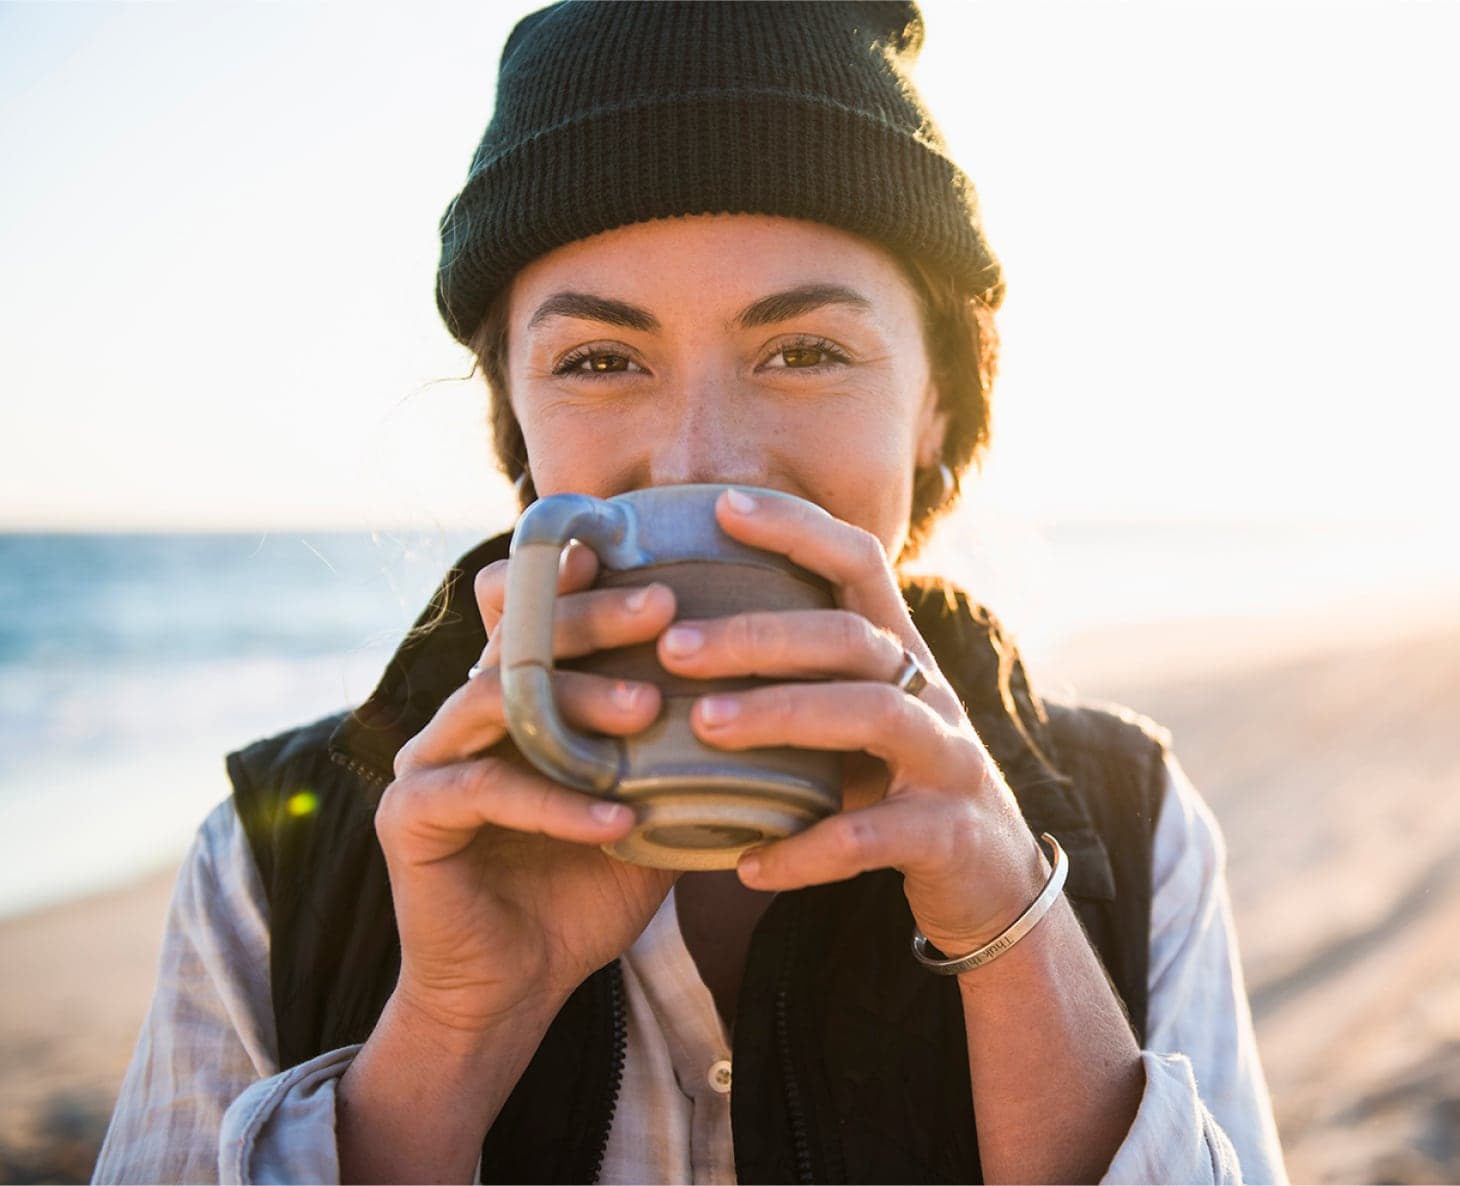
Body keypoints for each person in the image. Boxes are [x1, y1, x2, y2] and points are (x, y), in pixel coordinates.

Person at [94, 3, 1286, 1183]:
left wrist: (1011, 934)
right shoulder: (272, 857)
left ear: (935, 402)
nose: (699, 457)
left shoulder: (1128, 821)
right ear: (514, 420)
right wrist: (454, 1028)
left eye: (806, 350)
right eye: (600, 361)